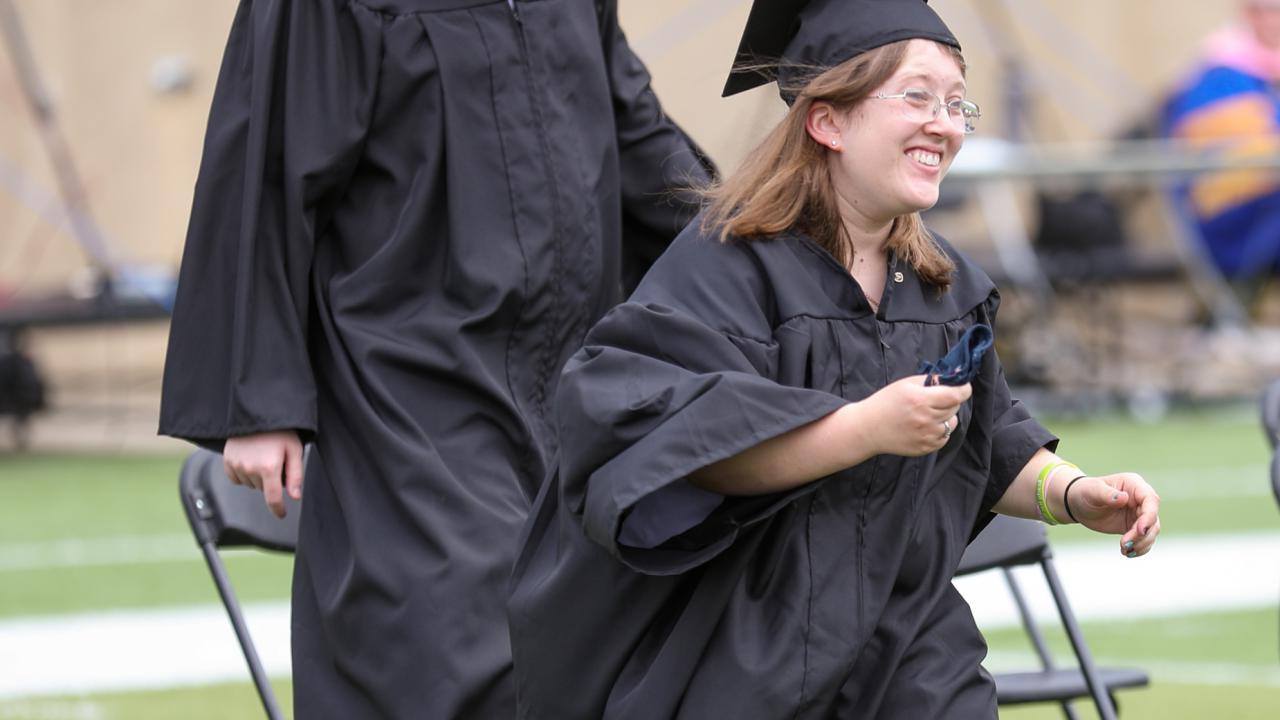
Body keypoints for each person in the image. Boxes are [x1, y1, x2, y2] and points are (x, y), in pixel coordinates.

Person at [507, 1, 1162, 717]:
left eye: (956, 104)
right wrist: (864, 429)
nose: (944, 123)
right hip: (747, 645)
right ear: (828, 120)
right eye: (917, 97)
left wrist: (1070, 493)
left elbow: (990, 438)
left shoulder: (947, 287)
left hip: (909, 649)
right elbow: (678, 448)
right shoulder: (725, 271)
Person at [158, 0, 712, 717]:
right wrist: (255, 396)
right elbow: (268, 159)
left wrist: (771, 247)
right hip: (407, 386)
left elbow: (637, 138)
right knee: (465, 651)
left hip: (573, 387)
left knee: (600, 659)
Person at [1165, 0, 1280, 297]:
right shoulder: (1221, 77)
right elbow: (1234, 176)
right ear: (1250, 14)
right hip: (1237, 224)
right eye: (1269, 10)